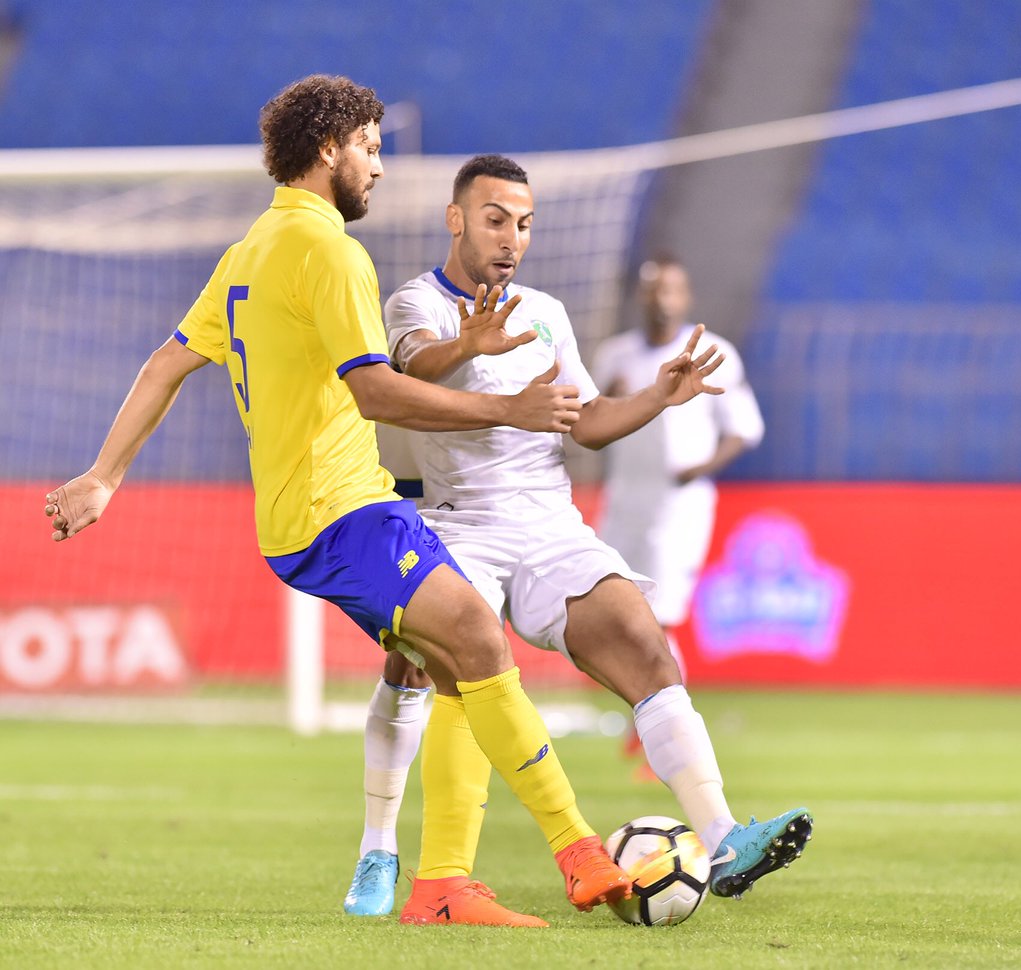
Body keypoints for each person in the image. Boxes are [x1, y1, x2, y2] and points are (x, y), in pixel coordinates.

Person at [42, 76, 632, 926]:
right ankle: (576, 853)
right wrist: (510, 407)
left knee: (454, 659)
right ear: (330, 150)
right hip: (343, 511)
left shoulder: (252, 248)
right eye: (371, 148)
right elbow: (378, 394)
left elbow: (166, 363)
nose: (379, 169)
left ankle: (440, 884)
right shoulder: (329, 253)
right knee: (472, 632)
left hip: (302, 520)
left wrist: (105, 475)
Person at [340, 153, 812, 924]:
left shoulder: (545, 311)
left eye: (524, 224)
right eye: (495, 218)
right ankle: (379, 847)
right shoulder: (415, 301)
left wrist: (656, 396)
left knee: (647, 644)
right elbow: (410, 370)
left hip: (549, 527)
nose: (511, 238)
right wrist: (471, 348)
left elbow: (586, 422)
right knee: (418, 671)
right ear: (456, 218)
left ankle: (724, 836)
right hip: (458, 525)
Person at [590, 256, 765, 771]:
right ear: (639, 296)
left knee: (659, 618)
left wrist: (699, 469)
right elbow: (593, 429)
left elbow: (744, 429)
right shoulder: (614, 356)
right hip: (625, 499)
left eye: (669, 290)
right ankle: (645, 723)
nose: (660, 299)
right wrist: (610, 402)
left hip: (679, 504)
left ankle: (666, 737)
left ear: (684, 297)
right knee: (620, 617)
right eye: (651, 290)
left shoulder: (716, 355)